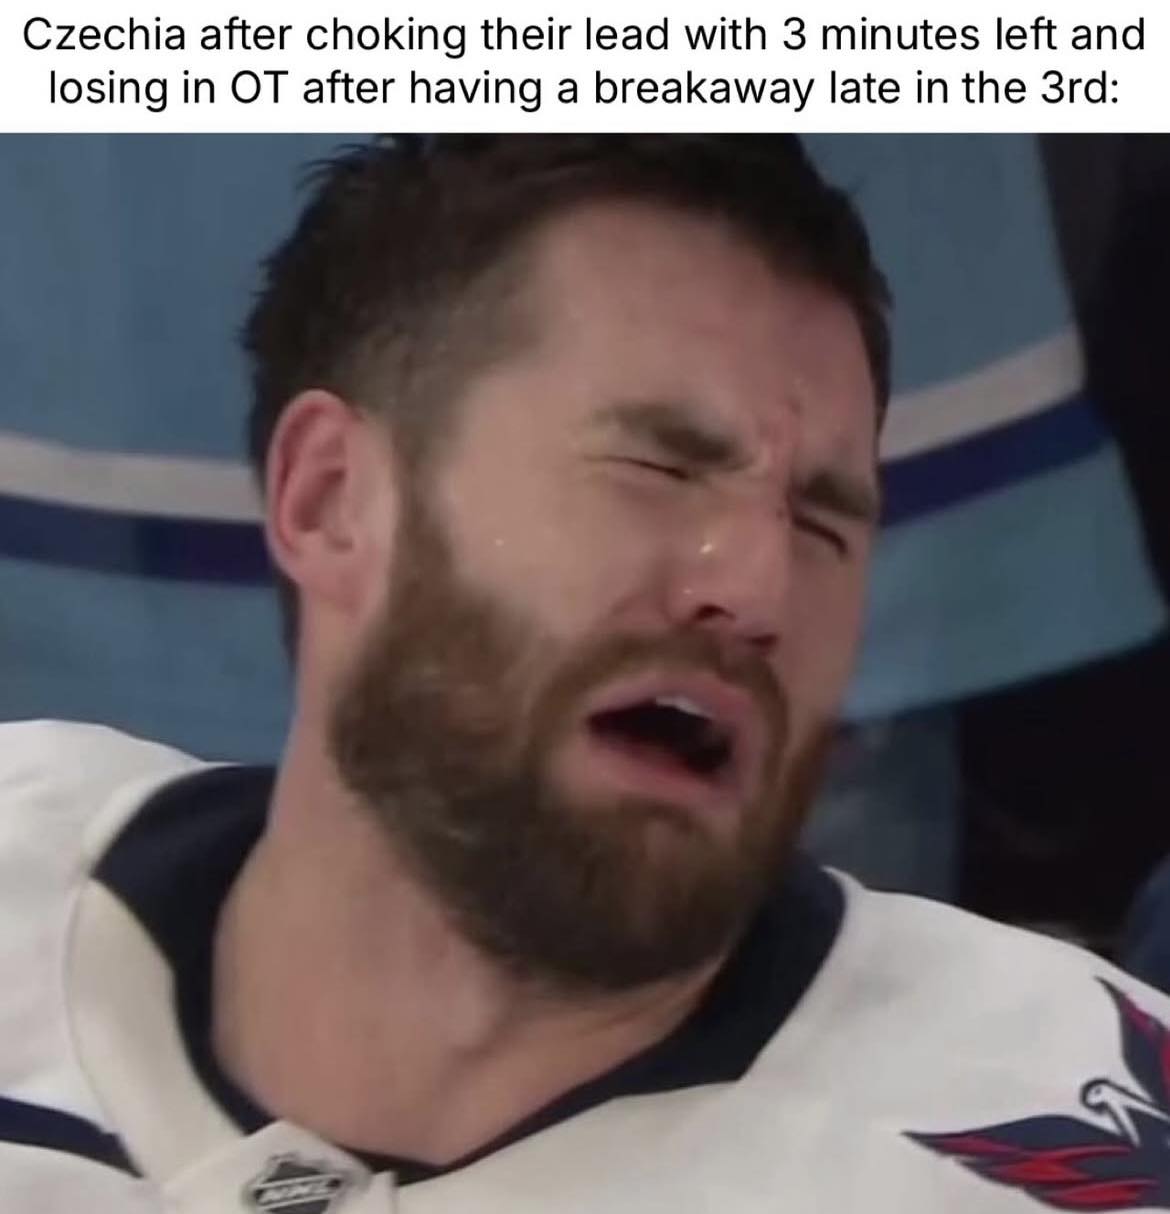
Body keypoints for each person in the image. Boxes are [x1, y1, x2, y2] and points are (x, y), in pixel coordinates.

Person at [2, 135, 1168, 1213]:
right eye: (660, 465)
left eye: (824, 522)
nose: (758, 588)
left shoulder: (1064, 1129)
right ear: (332, 499)